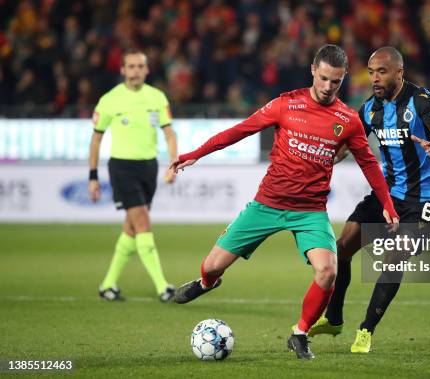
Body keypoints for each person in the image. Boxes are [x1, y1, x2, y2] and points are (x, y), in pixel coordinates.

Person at [168, 44, 400, 360]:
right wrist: (195, 154)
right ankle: (207, 283)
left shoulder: (347, 119)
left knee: (328, 271)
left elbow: (369, 163)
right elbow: (238, 131)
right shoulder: (286, 104)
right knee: (211, 266)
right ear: (313, 72)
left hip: (310, 212)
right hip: (267, 204)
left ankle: (300, 333)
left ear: (343, 79)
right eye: (323, 78)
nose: (328, 87)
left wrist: (387, 202)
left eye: (336, 82)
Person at [308, 46, 430, 353]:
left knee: (395, 257)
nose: (374, 78)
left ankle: (366, 331)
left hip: (427, 199)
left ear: (399, 73)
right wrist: (326, 157)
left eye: (381, 72)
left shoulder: (420, 100)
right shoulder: (370, 109)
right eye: (371, 71)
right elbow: (348, 143)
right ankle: (333, 318)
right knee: (341, 248)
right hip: (389, 194)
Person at [88, 49, 178, 302]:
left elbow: (170, 134)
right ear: (123, 70)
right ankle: (163, 287)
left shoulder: (157, 97)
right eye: (131, 66)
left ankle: (108, 285)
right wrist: (93, 176)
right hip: (122, 167)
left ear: (147, 70)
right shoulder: (109, 100)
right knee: (143, 223)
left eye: (140, 66)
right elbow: (95, 141)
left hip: (148, 167)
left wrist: (172, 164)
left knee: (131, 228)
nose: (136, 71)